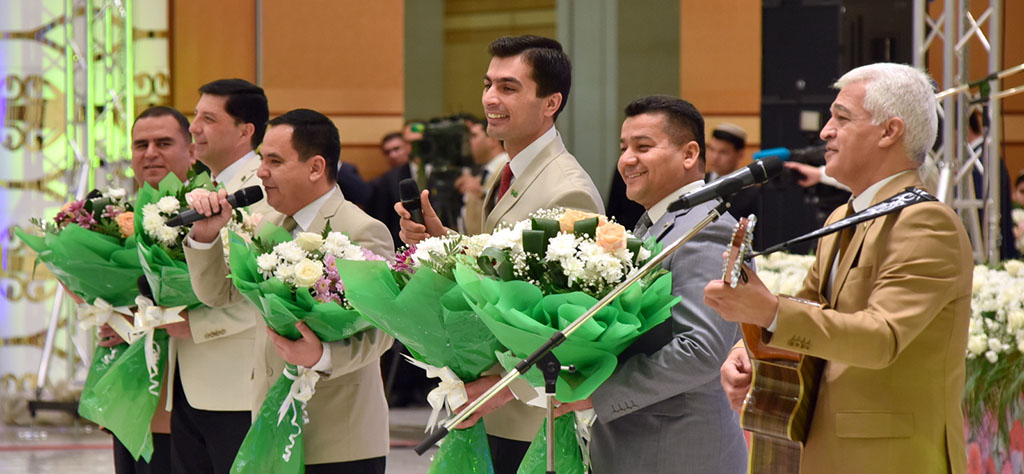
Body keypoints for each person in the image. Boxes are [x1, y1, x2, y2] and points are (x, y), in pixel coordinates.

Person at [704, 63, 972, 473]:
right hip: (826, 448)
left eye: (842, 118)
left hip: (891, 459)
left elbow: (882, 338)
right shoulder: (843, 217)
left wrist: (769, 311)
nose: (826, 132)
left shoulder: (925, 222)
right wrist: (749, 351)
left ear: (889, 131)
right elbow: (809, 307)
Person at [395, 35, 603, 473]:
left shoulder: (566, 190)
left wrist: (498, 390)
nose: (490, 98)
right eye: (488, 84)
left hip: (532, 422)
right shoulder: (511, 171)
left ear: (551, 103)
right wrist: (440, 241)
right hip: (495, 410)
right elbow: (497, 271)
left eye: (509, 87)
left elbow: (568, 328)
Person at [184, 109, 394, 474]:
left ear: (316, 167)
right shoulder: (267, 226)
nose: (261, 172)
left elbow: (384, 331)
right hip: (272, 427)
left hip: (338, 437)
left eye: (275, 161)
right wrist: (205, 235)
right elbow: (218, 295)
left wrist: (322, 356)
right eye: (262, 159)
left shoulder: (361, 230)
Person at [557, 96, 747, 473]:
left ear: (689, 154)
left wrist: (600, 393)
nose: (627, 160)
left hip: (676, 449)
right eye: (623, 148)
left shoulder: (704, 229)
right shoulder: (660, 223)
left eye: (643, 147)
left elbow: (700, 350)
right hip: (642, 443)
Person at [167, 78, 272, 474]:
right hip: (189, 381)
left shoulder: (262, 192)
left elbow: (269, 290)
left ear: (245, 131)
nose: (193, 127)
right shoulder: (202, 188)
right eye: (195, 116)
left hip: (238, 384)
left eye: (208, 119)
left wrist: (194, 324)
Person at [98, 105, 197, 474]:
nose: (150, 153)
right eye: (141, 145)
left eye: (163, 143)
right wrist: (106, 311)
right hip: (128, 386)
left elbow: (214, 301)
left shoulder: (208, 214)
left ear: (191, 150)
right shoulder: (116, 215)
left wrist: (133, 320)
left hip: (183, 390)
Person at [455, 115, 508, 235]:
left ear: (493, 140)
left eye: (474, 136)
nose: (470, 142)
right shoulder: (481, 175)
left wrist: (481, 193)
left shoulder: (508, 168)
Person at [369, 132, 414, 248]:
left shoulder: (426, 172)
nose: (393, 155)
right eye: (387, 152)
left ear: (408, 147)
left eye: (396, 149)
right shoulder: (383, 182)